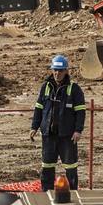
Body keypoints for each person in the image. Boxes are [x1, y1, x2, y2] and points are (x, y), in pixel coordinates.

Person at [30, 54, 87, 191]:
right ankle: (47, 193)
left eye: (60, 70)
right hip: (48, 135)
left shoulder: (74, 89)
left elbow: (80, 111)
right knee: (47, 166)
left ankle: (73, 193)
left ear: (66, 71)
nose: (57, 73)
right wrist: (34, 127)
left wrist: (78, 130)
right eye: (55, 70)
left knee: (70, 167)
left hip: (67, 136)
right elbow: (39, 108)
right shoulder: (46, 87)